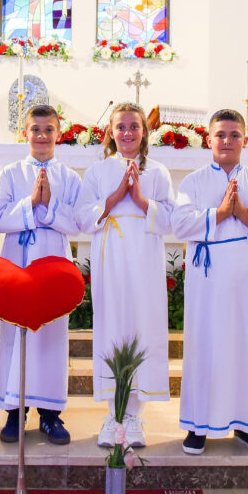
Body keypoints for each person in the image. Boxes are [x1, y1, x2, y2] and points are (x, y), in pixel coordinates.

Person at [170, 109, 248, 455]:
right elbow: (180, 224)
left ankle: (246, 424)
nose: (227, 141)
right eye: (220, 135)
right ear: (209, 140)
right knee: (204, 345)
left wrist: (243, 214)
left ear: (244, 140)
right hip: (208, 277)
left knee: (246, 345)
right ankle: (198, 425)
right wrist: (221, 213)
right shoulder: (193, 182)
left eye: (234, 135)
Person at [76, 103, 174, 449]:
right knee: (113, 325)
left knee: (142, 326)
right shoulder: (98, 172)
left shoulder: (158, 172)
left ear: (144, 131)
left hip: (145, 256)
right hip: (112, 258)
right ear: (111, 131)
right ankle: (113, 414)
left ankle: (133, 416)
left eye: (134, 126)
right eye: (121, 126)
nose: (127, 132)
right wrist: (116, 196)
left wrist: (142, 200)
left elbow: (171, 220)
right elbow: (82, 218)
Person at [0, 104, 82, 445]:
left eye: (48, 129)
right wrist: (30, 203)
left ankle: (50, 413)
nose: (42, 135)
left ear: (59, 133)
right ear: (24, 133)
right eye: (35, 129)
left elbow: (78, 223)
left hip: (54, 263)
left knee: (51, 335)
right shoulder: (10, 173)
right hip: (18, 262)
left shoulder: (70, 177)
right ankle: (15, 411)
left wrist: (50, 206)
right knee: (15, 334)